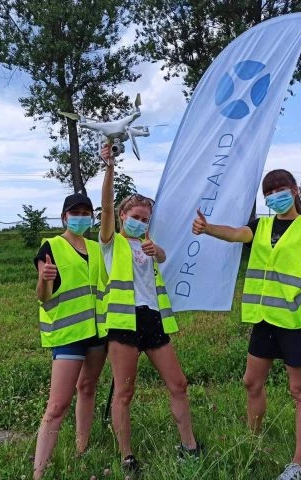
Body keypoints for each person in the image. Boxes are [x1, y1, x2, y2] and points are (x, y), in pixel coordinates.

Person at [192, 169, 301, 480]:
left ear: (295, 190)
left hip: (296, 321)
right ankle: (254, 442)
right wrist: (207, 228)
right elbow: (235, 233)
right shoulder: (262, 226)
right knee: (251, 382)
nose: (275, 196)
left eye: (280, 189)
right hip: (265, 318)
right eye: (269, 192)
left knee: (300, 391)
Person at [98, 145, 200, 474]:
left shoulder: (148, 245)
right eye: (135, 217)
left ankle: (189, 446)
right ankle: (126, 456)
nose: (141, 223)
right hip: (124, 323)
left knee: (179, 384)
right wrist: (110, 169)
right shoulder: (111, 242)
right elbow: (106, 207)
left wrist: (157, 251)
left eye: (145, 219)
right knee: (124, 391)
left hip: (153, 320)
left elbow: (163, 260)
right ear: (122, 217)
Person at [32, 193, 107, 479]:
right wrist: (43, 279)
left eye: (86, 212)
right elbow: (43, 296)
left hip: (97, 333)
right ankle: (39, 471)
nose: (81, 217)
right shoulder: (51, 247)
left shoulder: (96, 248)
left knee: (87, 389)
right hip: (68, 334)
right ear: (64, 217)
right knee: (57, 405)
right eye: (75, 212)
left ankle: (81, 448)